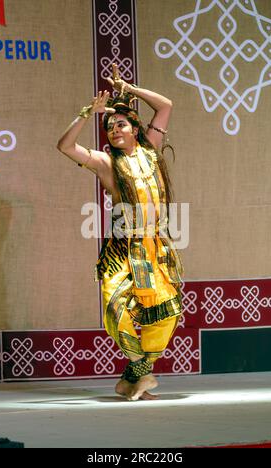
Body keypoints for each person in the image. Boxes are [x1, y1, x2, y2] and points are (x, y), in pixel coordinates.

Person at [57, 64, 184, 401]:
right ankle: (140, 372)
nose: (114, 130)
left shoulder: (151, 149)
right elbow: (66, 147)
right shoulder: (107, 163)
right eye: (110, 127)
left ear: (134, 128)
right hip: (122, 251)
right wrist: (87, 113)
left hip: (154, 249)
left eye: (121, 124)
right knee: (116, 313)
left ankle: (136, 377)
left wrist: (129, 89)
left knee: (166, 312)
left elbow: (166, 105)